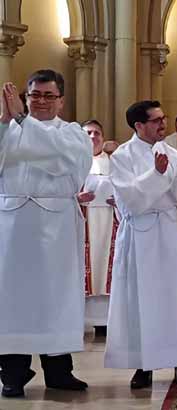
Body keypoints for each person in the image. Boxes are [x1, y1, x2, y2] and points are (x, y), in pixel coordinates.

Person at [0, 69, 92, 397]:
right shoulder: (7, 129)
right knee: (11, 301)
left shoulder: (72, 134)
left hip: (55, 227)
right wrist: (4, 122)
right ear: (25, 97)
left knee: (55, 297)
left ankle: (58, 372)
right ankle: (12, 373)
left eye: (48, 96)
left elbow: (57, 159)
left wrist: (23, 121)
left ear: (61, 101)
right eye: (34, 95)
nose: (40, 101)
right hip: (11, 226)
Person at [105, 100, 177, 389]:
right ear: (138, 125)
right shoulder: (122, 156)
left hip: (168, 232)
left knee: (174, 298)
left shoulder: (172, 152)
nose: (163, 125)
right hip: (139, 235)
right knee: (139, 300)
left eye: (164, 118)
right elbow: (130, 200)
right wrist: (157, 175)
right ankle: (142, 365)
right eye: (156, 120)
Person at [78, 120, 118, 335]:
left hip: (111, 220)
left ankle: (104, 322)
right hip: (83, 220)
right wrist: (77, 198)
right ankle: (80, 320)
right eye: (89, 133)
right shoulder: (72, 162)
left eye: (97, 133)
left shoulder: (115, 162)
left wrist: (119, 198)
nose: (93, 137)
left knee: (106, 268)